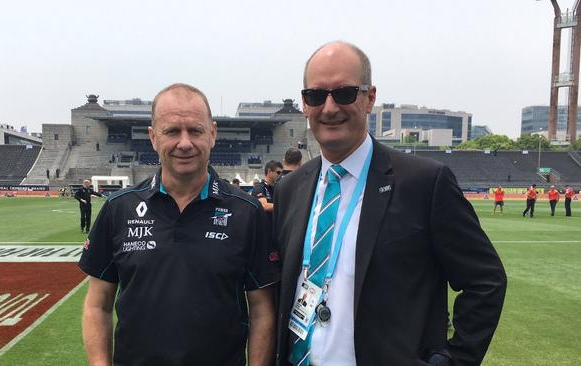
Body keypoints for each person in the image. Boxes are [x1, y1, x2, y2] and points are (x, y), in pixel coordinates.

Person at [272, 41, 506, 366]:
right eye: (316, 95)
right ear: (304, 104)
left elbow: (485, 281)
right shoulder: (290, 189)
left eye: (344, 93)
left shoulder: (425, 183)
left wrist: (455, 360)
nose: (329, 108)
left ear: (370, 98)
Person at [79, 83, 277, 366]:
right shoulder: (118, 208)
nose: (184, 143)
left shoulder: (246, 212)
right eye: (172, 131)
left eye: (195, 130)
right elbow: (98, 304)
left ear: (212, 134)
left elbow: (262, 310)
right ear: (153, 137)